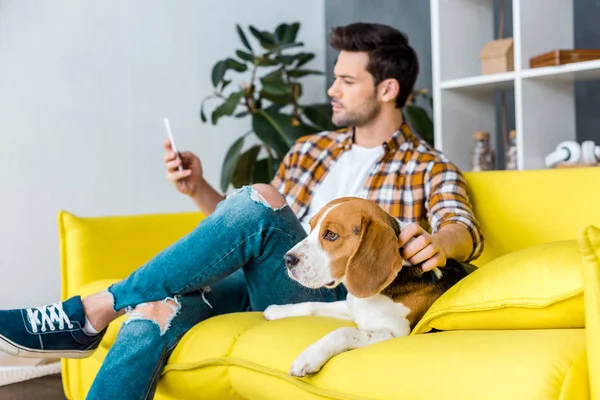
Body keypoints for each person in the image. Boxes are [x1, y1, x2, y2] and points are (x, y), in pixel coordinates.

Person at [0, 22, 483, 399]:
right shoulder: (312, 150)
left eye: (345, 80)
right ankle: (100, 314)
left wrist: (438, 242)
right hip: (267, 275)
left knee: (260, 197)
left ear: (387, 89)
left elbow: (463, 228)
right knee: (154, 307)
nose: (332, 89)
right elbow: (250, 231)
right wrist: (199, 189)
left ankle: (89, 313)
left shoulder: (427, 166)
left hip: (321, 287)